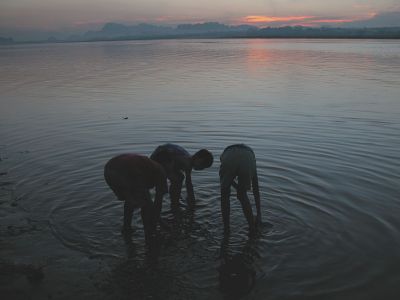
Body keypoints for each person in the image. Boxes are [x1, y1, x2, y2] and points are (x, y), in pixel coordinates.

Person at [104, 154, 168, 237]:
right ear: (167, 164)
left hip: (109, 170)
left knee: (131, 200)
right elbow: (157, 202)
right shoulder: (161, 170)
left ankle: (126, 228)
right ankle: (148, 232)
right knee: (145, 204)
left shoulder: (148, 165)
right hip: (128, 169)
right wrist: (160, 222)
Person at [150, 143, 213, 208]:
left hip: (163, 156)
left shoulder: (188, 159)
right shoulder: (187, 162)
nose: (201, 168)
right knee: (163, 187)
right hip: (159, 159)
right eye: (202, 165)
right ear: (198, 158)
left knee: (179, 177)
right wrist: (192, 201)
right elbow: (189, 184)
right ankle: (166, 205)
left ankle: (174, 201)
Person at [219, 144, 261, 235]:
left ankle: (227, 229)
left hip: (228, 157)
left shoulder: (224, 156)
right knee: (242, 195)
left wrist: (234, 186)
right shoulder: (252, 159)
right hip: (248, 157)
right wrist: (259, 213)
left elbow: (227, 182)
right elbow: (256, 188)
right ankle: (252, 227)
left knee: (224, 195)